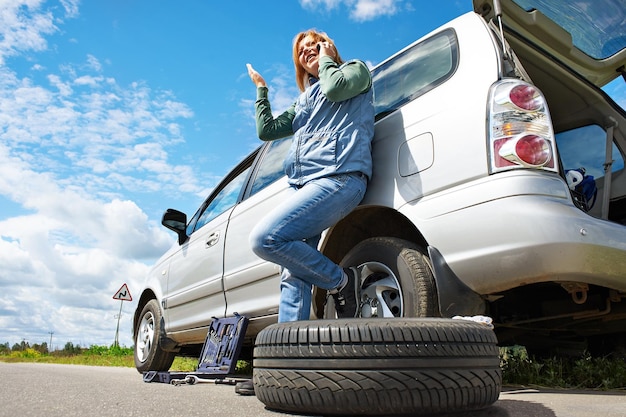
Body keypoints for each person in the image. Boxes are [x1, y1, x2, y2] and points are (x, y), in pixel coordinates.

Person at [246, 29, 374, 323]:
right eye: (301, 51)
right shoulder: (303, 102)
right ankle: (289, 352)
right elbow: (268, 131)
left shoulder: (355, 70)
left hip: (338, 177)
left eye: (313, 45)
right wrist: (261, 90)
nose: (307, 51)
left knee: (265, 238)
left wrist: (328, 60)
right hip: (300, 185)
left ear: (328, 46)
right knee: (293, 270)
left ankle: (340, 281)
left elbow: (335, 89)